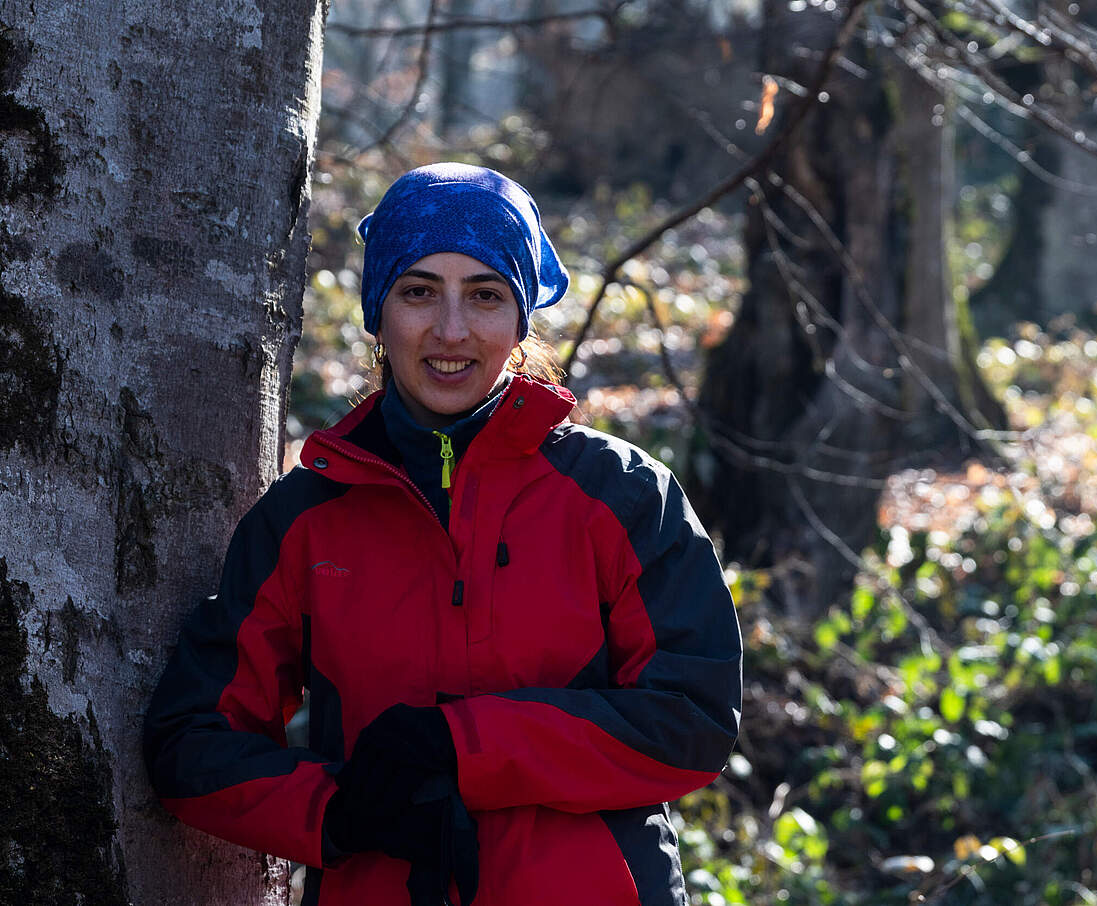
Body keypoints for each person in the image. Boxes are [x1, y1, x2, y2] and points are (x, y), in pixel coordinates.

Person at [143, 162, 743, 906]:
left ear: (521, 319)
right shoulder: (303, 518)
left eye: (485, 295)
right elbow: (190, 742)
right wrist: (336, 810)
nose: (451, 330)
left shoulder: (621, 497)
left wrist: (463, 748)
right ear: (377, 312)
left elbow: (693, 716)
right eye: (419, 291)